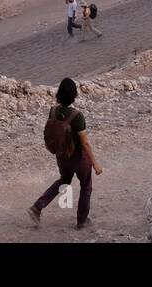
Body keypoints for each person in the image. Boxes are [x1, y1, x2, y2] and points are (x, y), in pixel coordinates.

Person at [29, 78, 102, 230]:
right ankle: (82, 221)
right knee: (86, 186)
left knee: (64, 181)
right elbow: (85, 143)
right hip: (78, 158)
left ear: (59, 94)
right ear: (74, 95)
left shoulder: (53, 111)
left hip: (61, 156)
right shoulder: (77, 116)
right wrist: (95, 163)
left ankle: (38, 206)